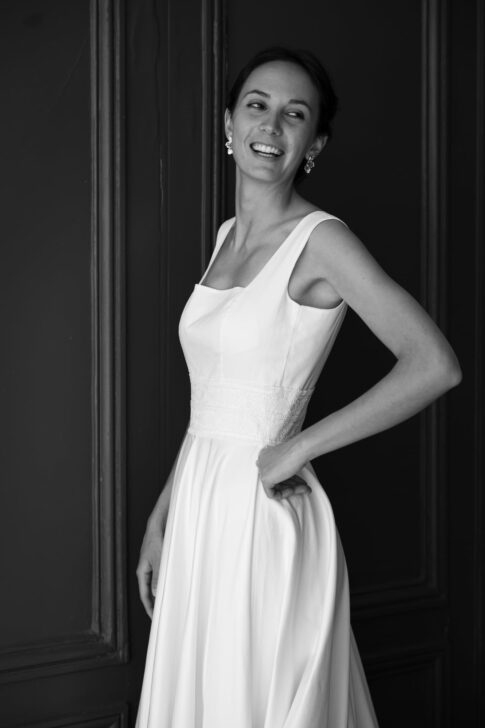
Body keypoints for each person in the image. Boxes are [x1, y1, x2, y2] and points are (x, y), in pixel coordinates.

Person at [135, 46, 462, 727]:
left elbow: (434, 364)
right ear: (229, 124)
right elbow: (213, 402)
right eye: (257, 105)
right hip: (200, 504)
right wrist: (164, 513)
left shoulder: (321, 241)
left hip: (263, 508)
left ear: (314, 144)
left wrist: (298, 448)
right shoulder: (227, 236)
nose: (271, 124)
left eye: (295, 114)